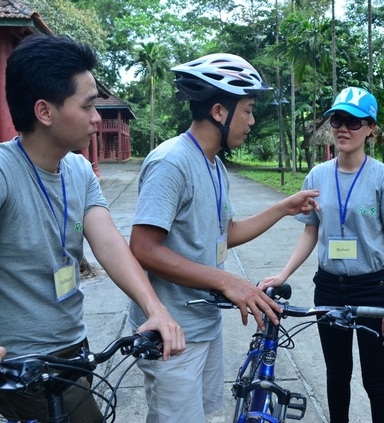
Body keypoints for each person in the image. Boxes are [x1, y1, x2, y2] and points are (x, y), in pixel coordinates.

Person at [0, 33, 185, 423]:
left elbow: (109, 244)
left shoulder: (78, 168)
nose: (97, 118)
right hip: (17, 364)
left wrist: (156, 309)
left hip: (73, 347)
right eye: (87, 105)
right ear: (45, 112)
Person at [127, 53, 320, 423]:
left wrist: (283, 208)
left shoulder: (214, 165)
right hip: (171, 332)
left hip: (203, 325)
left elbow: (224, 234)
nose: (251, 120)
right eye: (247, 110)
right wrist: (229, 281)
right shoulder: (171, 162)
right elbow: (143, 249)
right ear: (219, 111)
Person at [259, 87, 384, 423]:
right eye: (338, 119)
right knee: (337, 376)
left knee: (376, 381)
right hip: (329, 286)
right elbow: (311, 231)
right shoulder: (318, 175)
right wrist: (282, 275)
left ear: (371, 128)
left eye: (354, 122)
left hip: (374, 287)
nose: (343, 128)